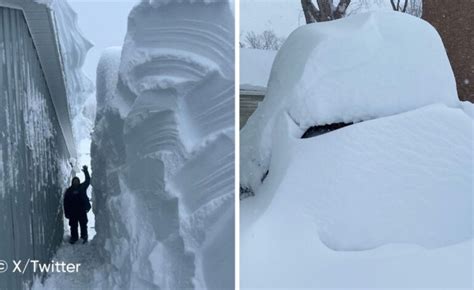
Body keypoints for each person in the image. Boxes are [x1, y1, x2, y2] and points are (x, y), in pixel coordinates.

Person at [64, 165, 92, 244]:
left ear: (78, 182)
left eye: (77, 181)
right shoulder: (69, 191)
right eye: (74, 181)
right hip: (73, 211)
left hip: (82, 210)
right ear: (72, 182)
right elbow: (66, 203)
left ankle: (84, 237)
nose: (75, 182)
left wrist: (86, 171)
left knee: (83, 224)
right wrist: (67, 213)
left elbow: (87, 181)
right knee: (73, 225)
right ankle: (74, 237)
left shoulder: (82, 187)